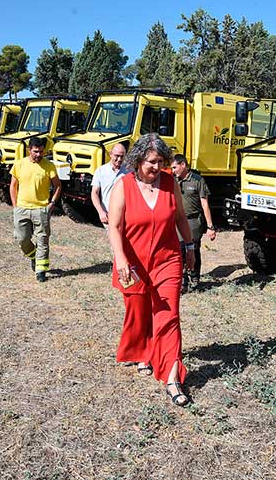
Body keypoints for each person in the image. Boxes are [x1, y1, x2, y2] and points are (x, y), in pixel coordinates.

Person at [107, 133, 195, 407]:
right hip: (133, 262)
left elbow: (180, 216)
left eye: (160, 161)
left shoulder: (170, 183)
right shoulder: (124, 185)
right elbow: (115, 226)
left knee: (169, 316)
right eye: (150, 162)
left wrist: (189, 247)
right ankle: (144, 351)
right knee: (138, 312)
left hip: (167, 260)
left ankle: (172, 377)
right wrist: (121, 259)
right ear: (137, 161)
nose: (156, 167)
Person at [10, 136, 61, 283]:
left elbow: (57, 186)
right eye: (36, 152)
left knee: (43, 240)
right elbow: (13, 186)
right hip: (22, 209)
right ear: (29, 150)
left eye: (41, 152)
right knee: (22, 239)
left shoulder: (49, 165)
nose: (39, 155)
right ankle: (33, 255)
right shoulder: (19, 164)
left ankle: (41, 271)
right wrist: (15, 206)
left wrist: (51, 204)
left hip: (41, 210)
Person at [171, 154, 216, 292]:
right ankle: (183, 280)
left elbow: (205, 204)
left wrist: (210, 226)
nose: (172, 170)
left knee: (193, 248)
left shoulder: (197, 180)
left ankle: (194, 277)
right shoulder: (173, 180)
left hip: (193, 221)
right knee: (179, 250)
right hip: (178, 220)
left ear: (183, 165)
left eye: (175, 167)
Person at [91, 142, 128, 228]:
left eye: (122, 157)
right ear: (111, 154)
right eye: (117, 156)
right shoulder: (100, 171)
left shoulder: (129, 171)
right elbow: (94, 193)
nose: (119, 159)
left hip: (126, 216)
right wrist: (100, 212)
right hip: (108, 216)